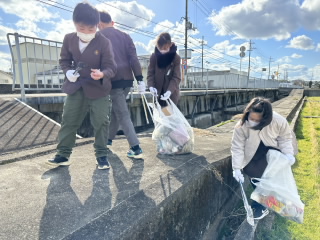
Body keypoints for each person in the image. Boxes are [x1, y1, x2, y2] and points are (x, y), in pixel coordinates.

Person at [47, 2, 117, 169]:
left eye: (91, 29)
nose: (86, 33)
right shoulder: (69, 38)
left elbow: (111, 67)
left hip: (99, 88)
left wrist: (102, 73)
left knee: (101, 122)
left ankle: (101, 155)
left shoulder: (104, 42)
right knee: (69, 120)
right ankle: (63, 155)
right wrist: (68, 71)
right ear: (74, 24)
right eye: (81, 28)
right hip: (76, 86)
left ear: (97, 26)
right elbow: (64, 60)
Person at [231, 97, 296, 219]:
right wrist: (236, 168)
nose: (253, 122)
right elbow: (237, 147)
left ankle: (260, 207)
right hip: (252, 154)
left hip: (272, 151)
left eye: (257, 120)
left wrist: (288, 154)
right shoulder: (241, 125)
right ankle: (265, 204)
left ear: (265, 118)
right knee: (254, 176)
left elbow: (285, 138)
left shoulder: (278, 121)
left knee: (268, 179)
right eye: (251, 118)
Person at [98, 11, 144, 159]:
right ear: (112, 22)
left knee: (122, 113)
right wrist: (140, 79)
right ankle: (108, 140)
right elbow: (134, 59)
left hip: (114, 80)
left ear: (99, 24)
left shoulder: (99, 38)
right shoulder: (125, 36)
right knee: (117, 111)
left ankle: (135, 147)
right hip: (128, 81)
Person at [147, 32, 181, 106]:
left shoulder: (176, 58)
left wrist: (169, 91)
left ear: (170, 45)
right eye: (160, 48)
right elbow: (150, 74)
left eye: (165, 48)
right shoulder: (154, 56)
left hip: (171, 94)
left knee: (168, 115)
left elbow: (176, 77)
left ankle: (169, 115)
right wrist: (151, 86)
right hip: (157, 93)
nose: (162, 51)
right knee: (158, 115)